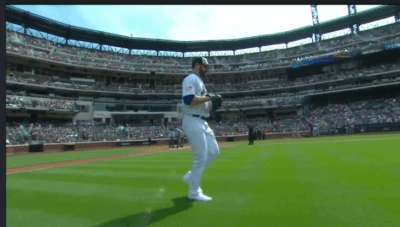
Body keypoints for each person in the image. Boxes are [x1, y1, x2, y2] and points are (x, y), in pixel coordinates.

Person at [181, 57, 220, 202]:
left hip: (202, 121)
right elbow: (188, 99)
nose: (207, 69)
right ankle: (194, 192)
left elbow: (202, 101)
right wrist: (208, 98)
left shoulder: (201, 82)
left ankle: (191, 176)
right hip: (192, 119)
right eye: (205, 66)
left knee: (213, 152)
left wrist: (211, 103)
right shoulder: (190, 79)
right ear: (196, 65)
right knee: (200, 156)